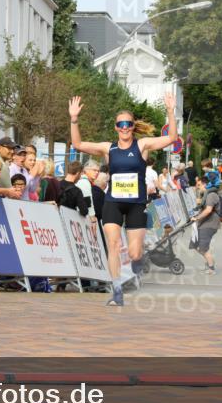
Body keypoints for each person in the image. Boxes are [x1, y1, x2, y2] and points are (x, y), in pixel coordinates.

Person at [69, 91, 178, 306]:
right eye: (121, 124)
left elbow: (172, 138)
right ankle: (116, 290)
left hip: (136, 204)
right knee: (114, 244)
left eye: (128, 123)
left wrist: (170, 111)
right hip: (113, 203)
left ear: (132, 126)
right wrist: (74, 119)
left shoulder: (142, 145)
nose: (125, 127)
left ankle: (137, 263)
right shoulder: (108, 148)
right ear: (116, 128)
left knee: (136, 253)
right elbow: (78, 144)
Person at [191, 176, 221, 275]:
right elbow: (199, 207)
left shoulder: (211, 195)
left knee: (202, 247)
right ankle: (210, 263)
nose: (198, 187)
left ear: (205, 184)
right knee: (196, 245)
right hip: (205, 223)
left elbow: (208, 210)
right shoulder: (205, 195)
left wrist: (197, 218)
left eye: (199, 185)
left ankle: (211, 268)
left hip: (210, 224)